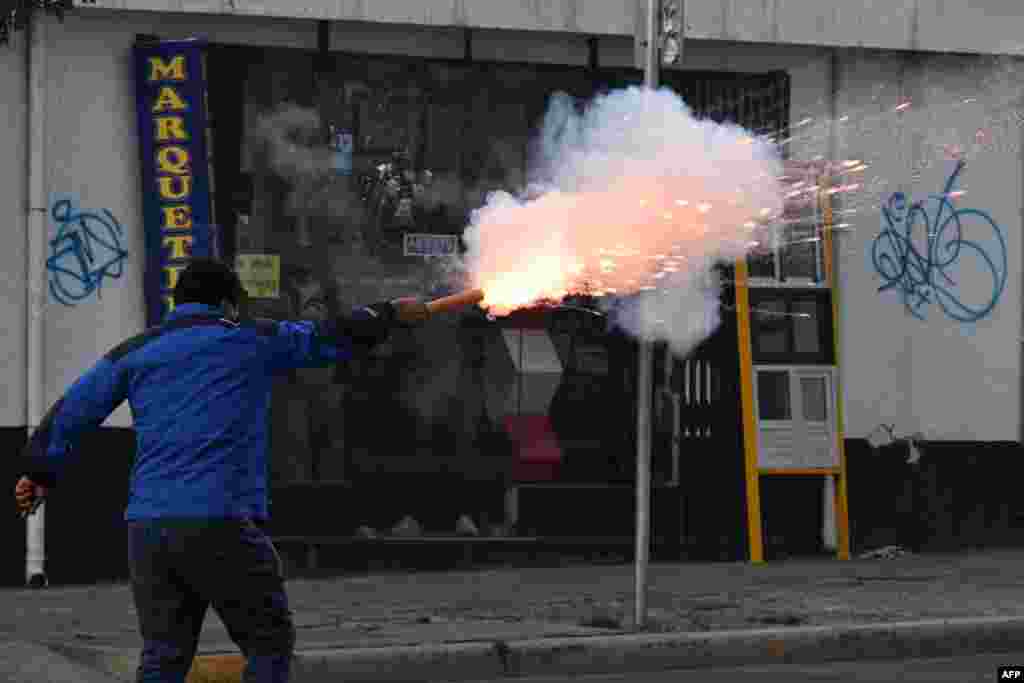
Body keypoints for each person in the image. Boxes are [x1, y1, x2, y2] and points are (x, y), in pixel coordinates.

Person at [13, 258, 429, 683]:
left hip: (149, 529)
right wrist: (392, 313)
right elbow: (329, 336)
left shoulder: (135, 351)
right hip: (222, 522)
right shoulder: (251, 339)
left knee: (163, 656)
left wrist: (38, 472)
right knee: (268, 643)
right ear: (229, 304)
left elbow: (74, 410)